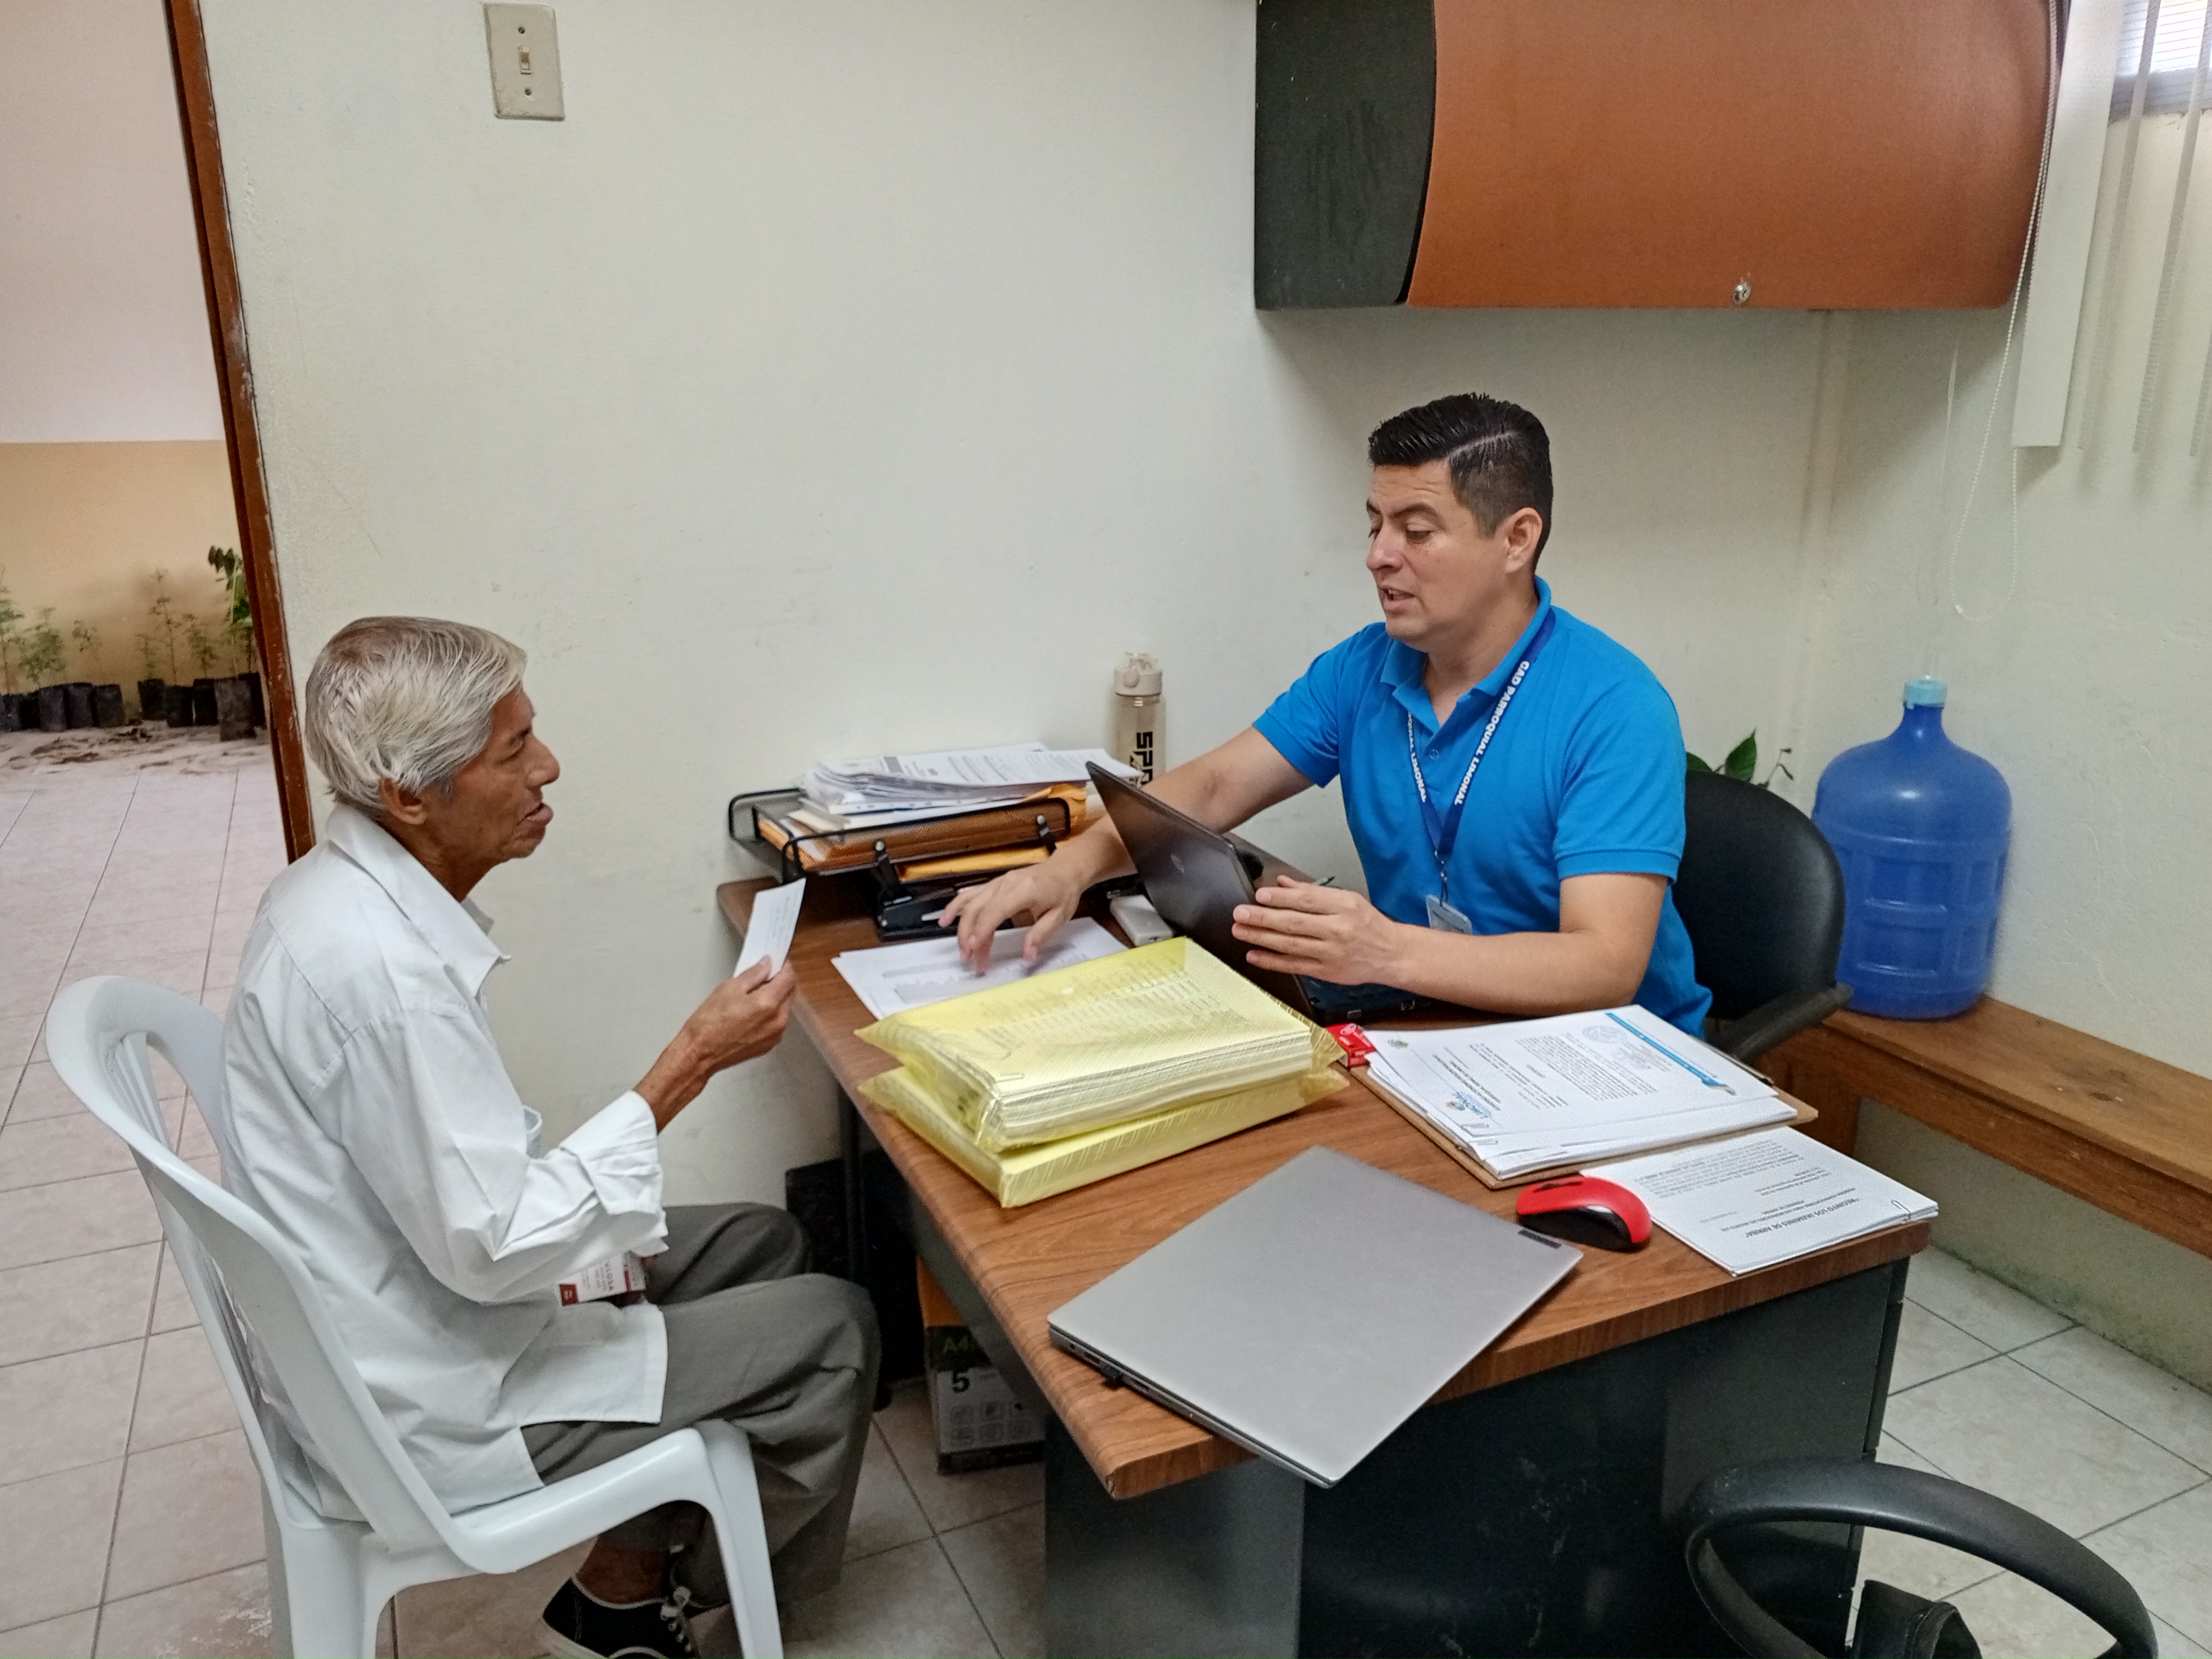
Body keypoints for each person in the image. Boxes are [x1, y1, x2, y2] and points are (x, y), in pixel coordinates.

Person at [220, 616, 877, 1659]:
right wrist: (690, 1061)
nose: (549, 767)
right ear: (410, 795)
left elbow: (470, 1210)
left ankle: (618, 1592)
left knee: (766, 1242)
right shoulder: (383, 979)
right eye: (514, 749)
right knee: (838, 1328)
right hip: (443, 1393)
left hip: (422, 1304)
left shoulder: (334, 891)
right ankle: (709, 1602)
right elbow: (495, 1249)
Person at [944, 394, 1710, 1033]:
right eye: (1375, 525)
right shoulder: (1365, 666)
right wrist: (1070, 868)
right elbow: (1215, 787)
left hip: (1616, 1061)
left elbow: (1604, 964)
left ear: (1517, 539)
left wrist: (1386, 950)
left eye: (1416, 531)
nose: (1379, 555)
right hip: (1438, 1023)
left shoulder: (1614, 707)